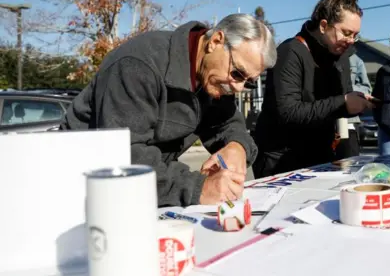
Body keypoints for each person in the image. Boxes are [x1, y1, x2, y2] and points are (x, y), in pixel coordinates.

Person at [60, 14, 277, 207]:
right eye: (238, 73)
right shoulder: (137, 65)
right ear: (216, 41)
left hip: (143, 193)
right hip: (81, 191)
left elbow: (228, 123)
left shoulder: (212, 77)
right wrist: (198, 188)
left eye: (248, 83)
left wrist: (237, 147)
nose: (238, 88)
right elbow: (125, 157)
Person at [252, 0, 373, 177]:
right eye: (346, 32)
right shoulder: (290, 52)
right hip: (281, 160)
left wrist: (357, 103)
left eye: (355, 35)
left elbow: (339, 104)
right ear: (324, 26)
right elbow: (288, 112)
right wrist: (343, 103)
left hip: (320, 155)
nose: (351, 40)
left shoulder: (340, 56)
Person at [344, 53, 372, 156]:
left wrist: (347, 88)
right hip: (322, 120)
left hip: (348, 121)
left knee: (349, 161)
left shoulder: (356, 60)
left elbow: (367, 90)